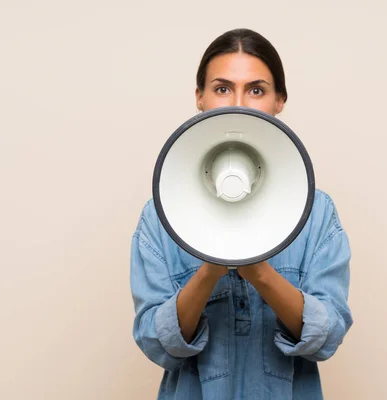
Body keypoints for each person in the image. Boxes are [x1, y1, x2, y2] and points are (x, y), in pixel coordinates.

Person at [130, 28, 353, 400]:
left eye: (256, 90)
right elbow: (157, 344)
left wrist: (260, 272)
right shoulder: (159, 216)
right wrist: (211, 266)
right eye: (221, 89)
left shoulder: (317, 214)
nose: (238, 103)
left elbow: (326, 339)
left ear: (279, 100)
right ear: (199, 98)